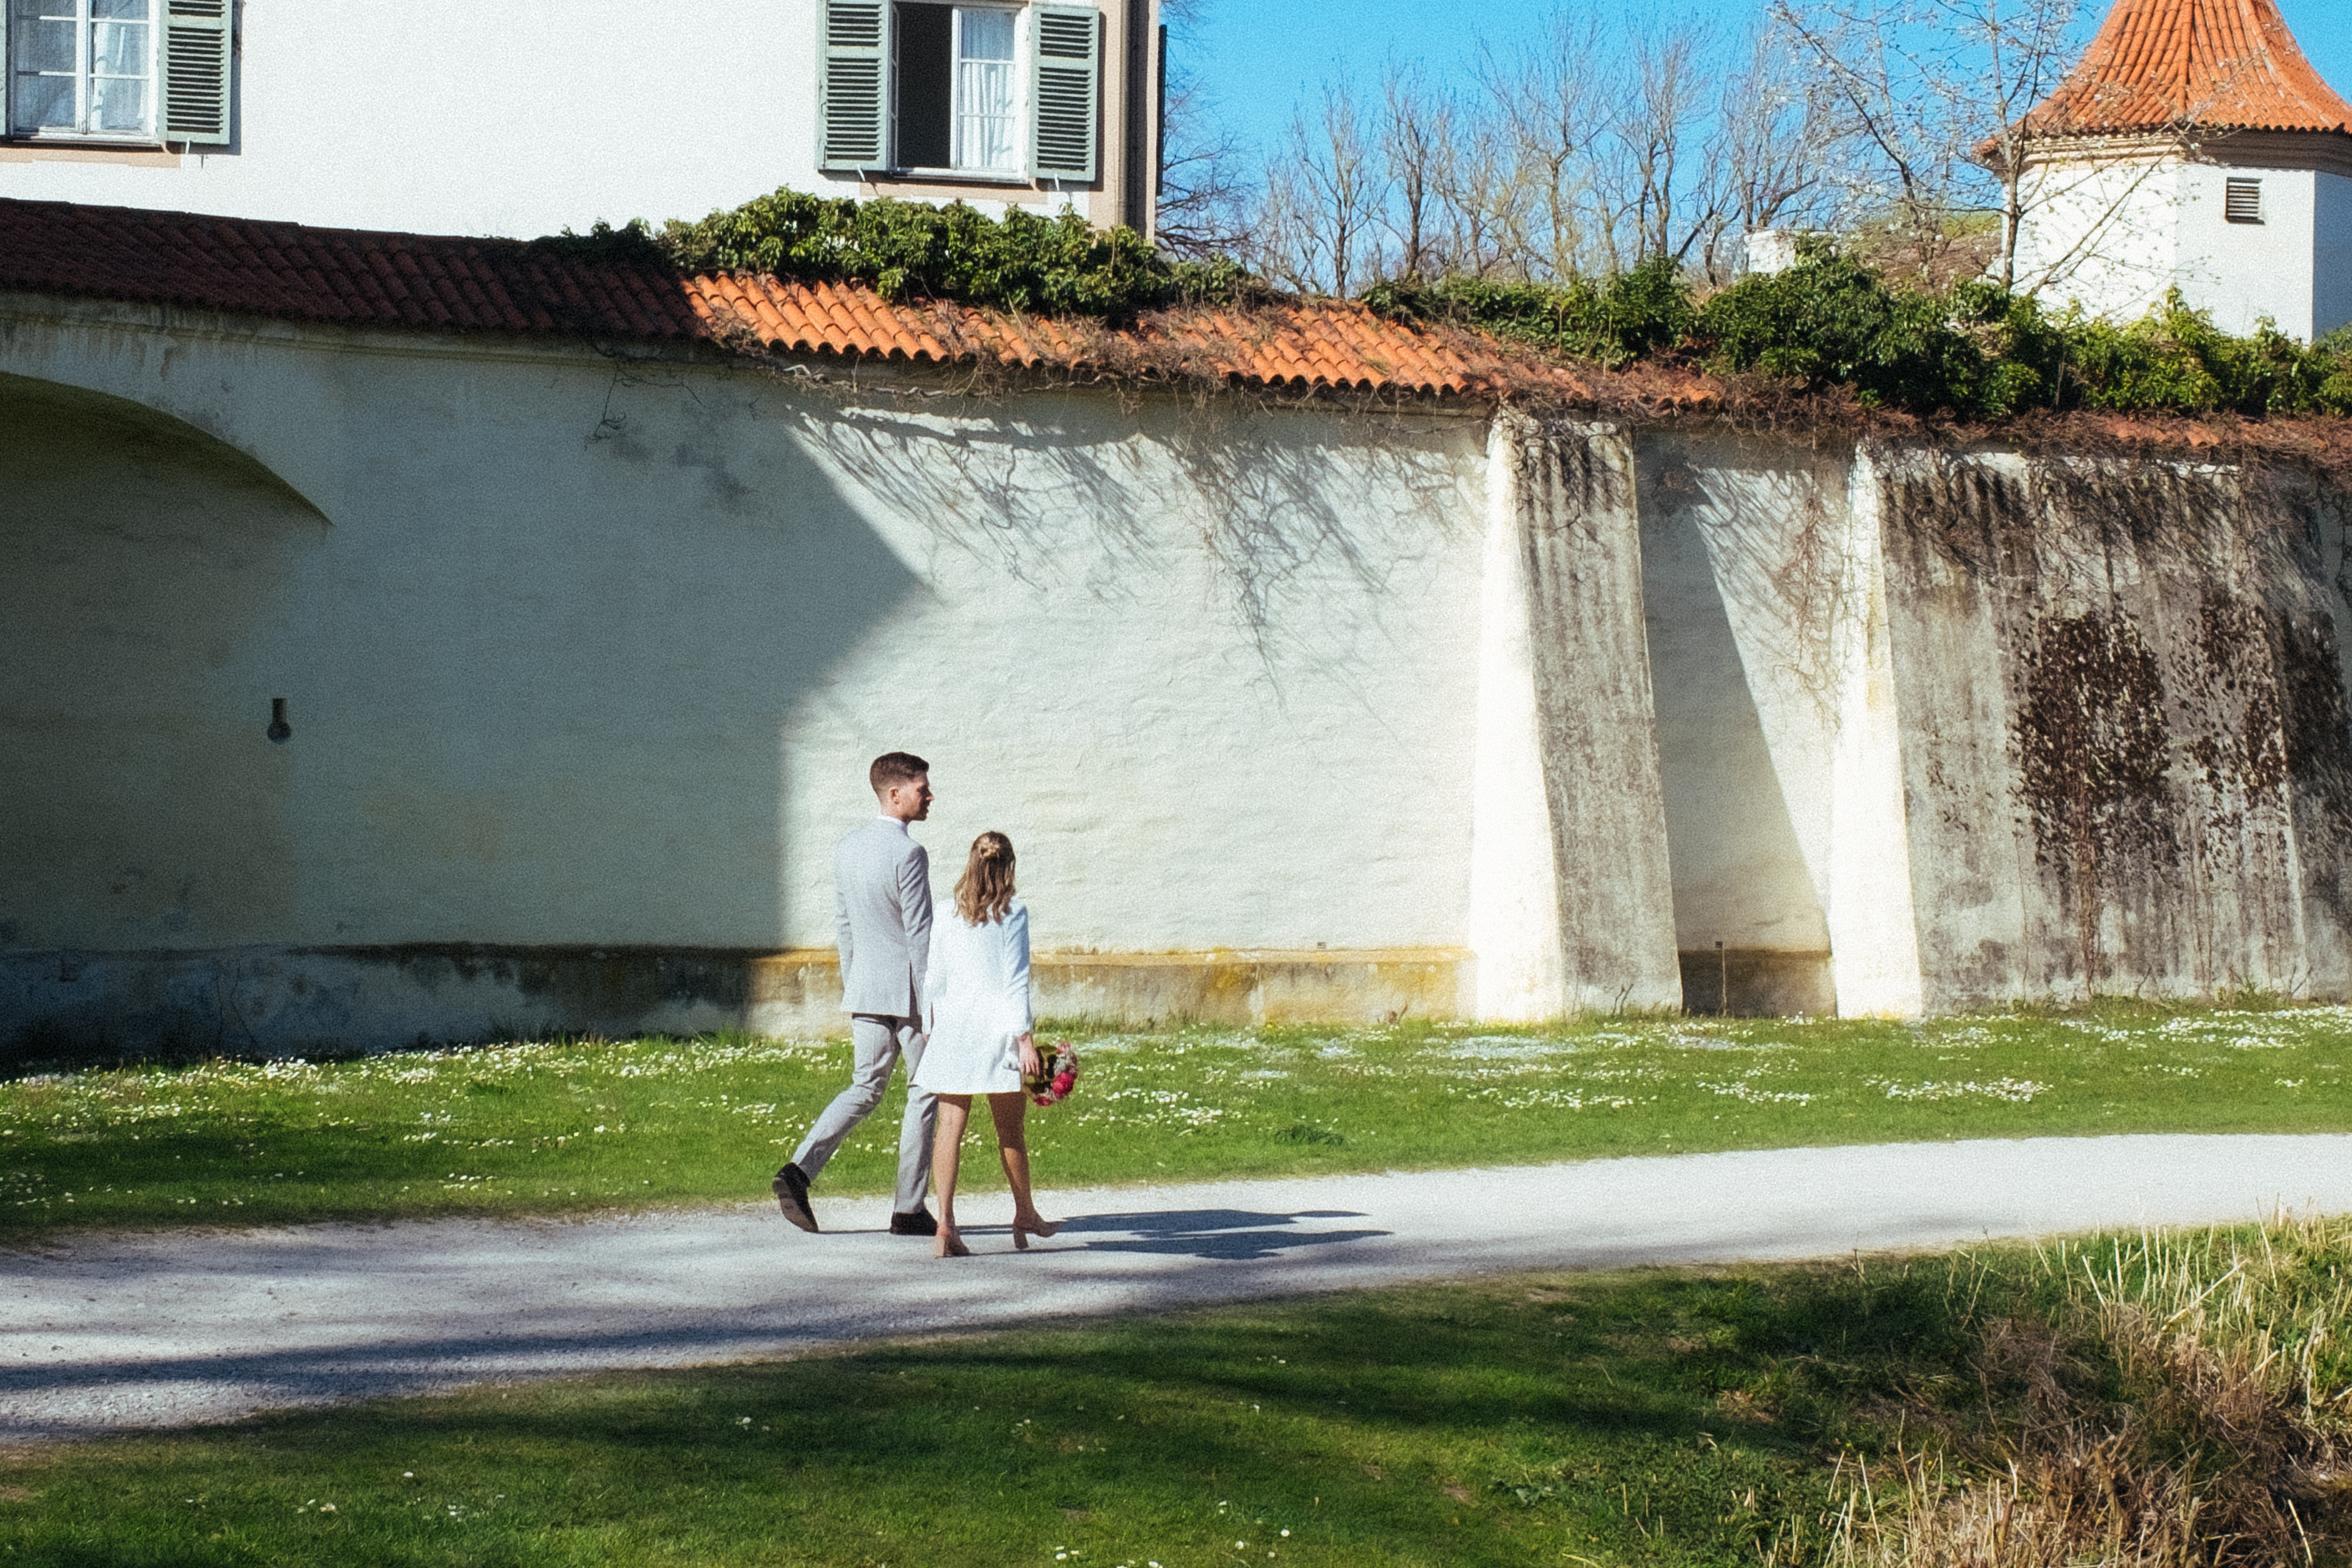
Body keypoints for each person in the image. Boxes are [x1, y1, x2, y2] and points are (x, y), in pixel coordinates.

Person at [772, 752, 941, 1237]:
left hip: (866, 988)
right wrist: (933, 1006)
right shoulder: (909, 854)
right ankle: (908, 1208)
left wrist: (856, 982)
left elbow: (844, 926)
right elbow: (920, 936)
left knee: (864, 1088)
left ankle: (798, 1171)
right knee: (926, 1090)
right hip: (909, 995)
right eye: (922, 789)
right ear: (895, 794)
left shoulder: (846, 848)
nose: (930, 796)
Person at [914, 830, 1059, 1259]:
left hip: (953, 1029)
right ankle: (1025, 1212)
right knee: (1010, 1130)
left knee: (949, 1127)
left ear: (971, 863)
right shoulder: (1013, 914)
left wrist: (929, 1024)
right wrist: (1025, 1039)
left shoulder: (946, 911)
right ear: (1008, 867)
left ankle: (944, 1224)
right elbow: (1015, 981)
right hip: (998, 1033)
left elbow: (933, 975)